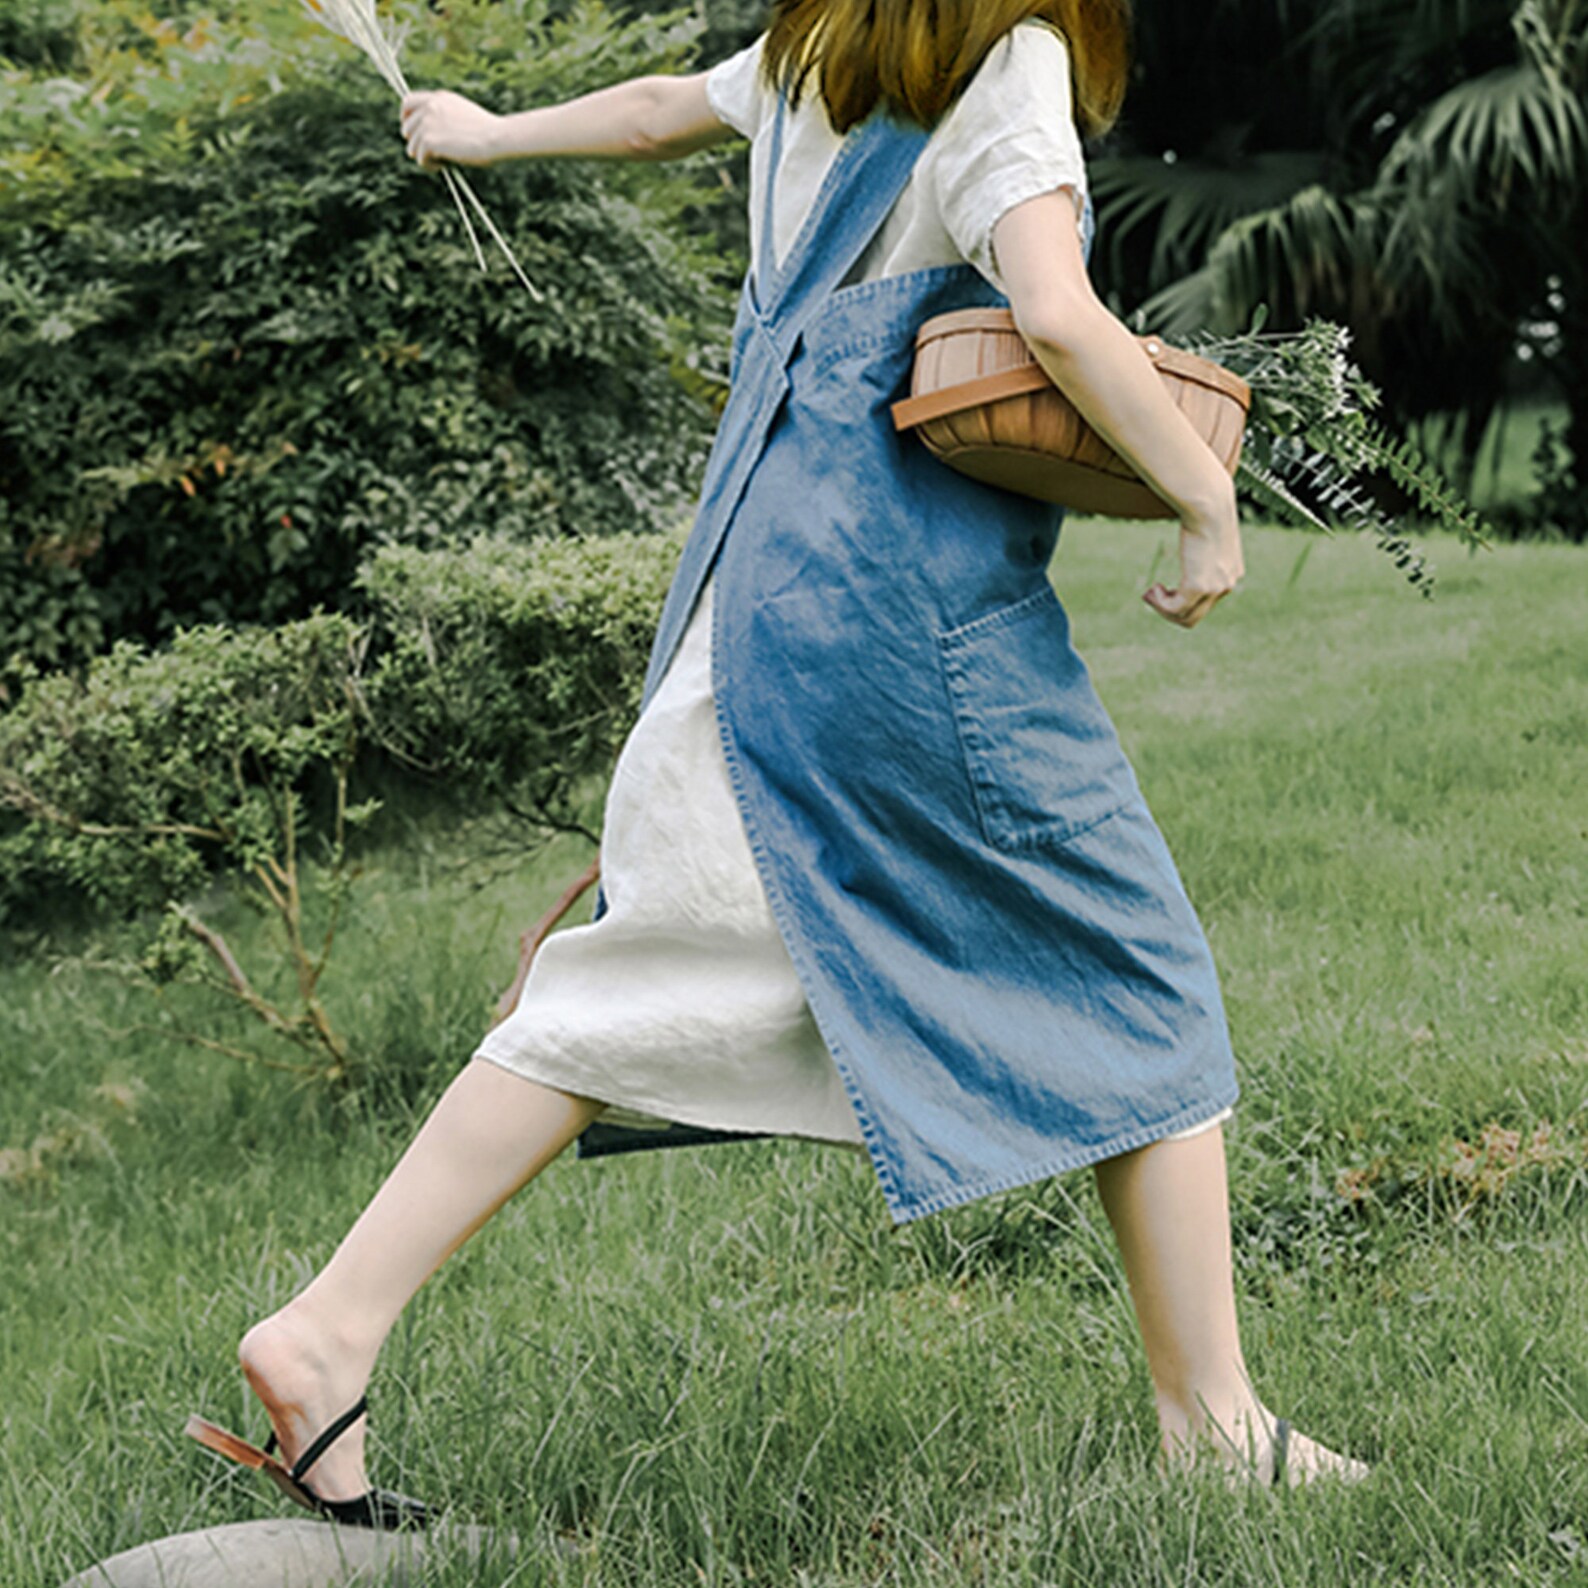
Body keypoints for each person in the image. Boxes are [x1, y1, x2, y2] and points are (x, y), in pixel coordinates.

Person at [201, 0, 1368, 1524]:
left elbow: (653, 110)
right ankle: (1212, 1425)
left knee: (649, 972)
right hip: (896, 612)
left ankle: (328, 1332)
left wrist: (488, 134)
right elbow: (1059, 313)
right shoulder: (1001, 61)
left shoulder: (824, 45)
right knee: (1135, 966)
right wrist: (1206, 502)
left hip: (759, 587)